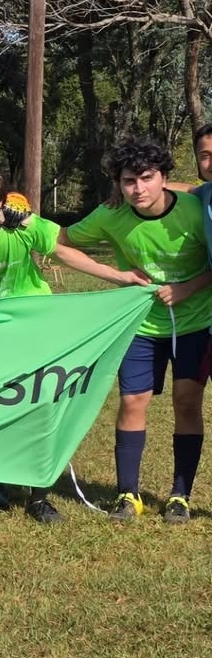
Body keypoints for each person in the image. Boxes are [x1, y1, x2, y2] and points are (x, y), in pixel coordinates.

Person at [0, 163, 153, 526]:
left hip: (37, 332)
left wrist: (119, 277)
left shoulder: (21, 226)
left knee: (41, 413)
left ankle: (39, 498)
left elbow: (64, 252)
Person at [61, 142, 212, 525]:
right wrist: (116, 275)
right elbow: (61, 240)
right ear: (118, 184)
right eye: (129, 181)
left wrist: (187, 287)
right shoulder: (110, 214)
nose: (139, 189)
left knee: (187, 402)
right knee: (132, 402)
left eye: (147, 178)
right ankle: (128, 493)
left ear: (164, 178)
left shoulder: (196, 211)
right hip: (141, 325)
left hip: (195, 324)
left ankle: (180, 495)